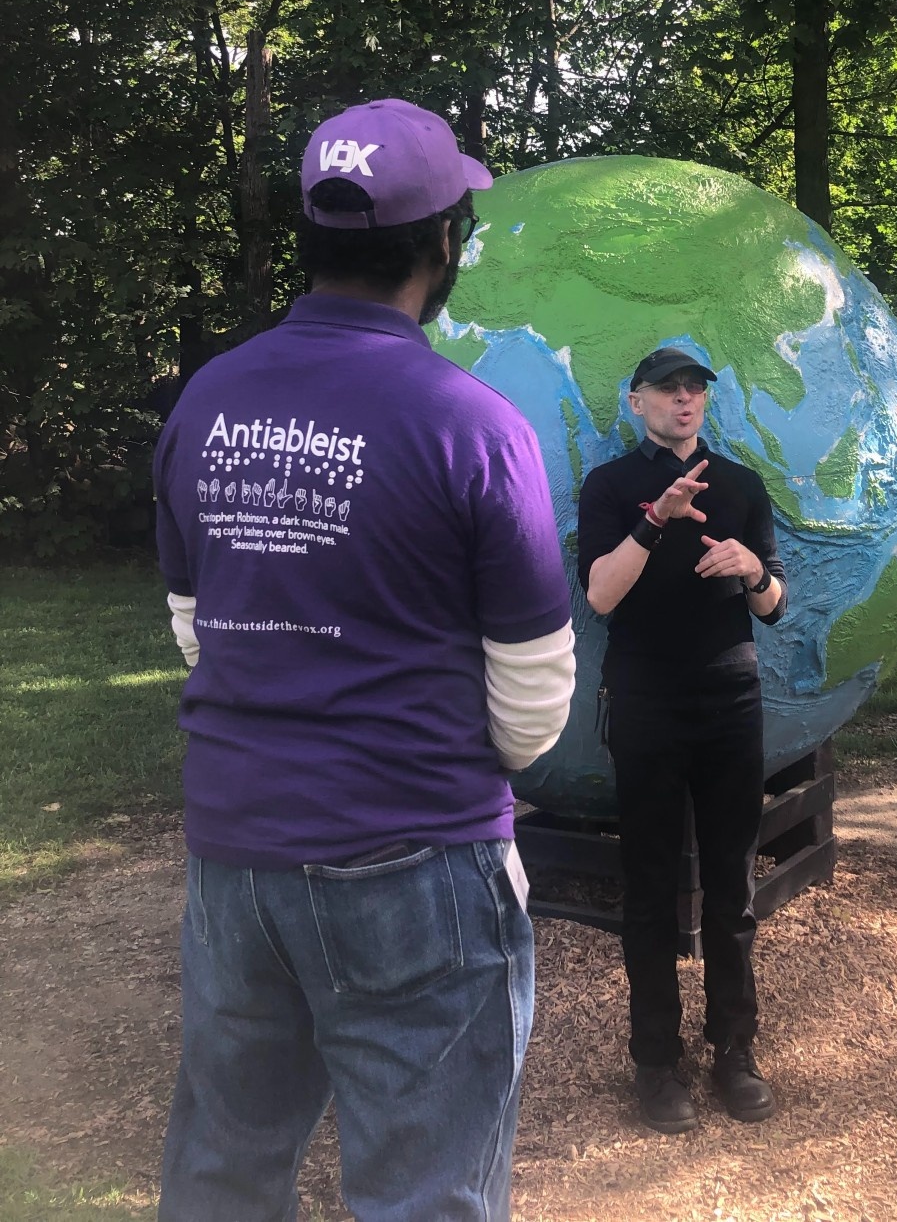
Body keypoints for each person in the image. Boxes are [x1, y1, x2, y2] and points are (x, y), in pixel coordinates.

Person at [152, 98, 575, 1222]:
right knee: (425, 1191)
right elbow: (533, 688)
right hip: (415, 854)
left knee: (224, 1171)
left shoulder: (210, 397)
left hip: (234, 856)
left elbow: (193, 623)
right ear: (443, 244)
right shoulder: (469, 422)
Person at [576, 346, 787, 1133]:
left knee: (732, 885)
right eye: (668, 388)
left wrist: (752, 572)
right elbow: (599, 594)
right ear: (637, 403)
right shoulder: (610, 487)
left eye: (696, 386)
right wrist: (654, 520)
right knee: (650, 887)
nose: (685, 397)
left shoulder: (741, 486)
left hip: (731, 698)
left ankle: (734, 1048)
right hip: (645, 701)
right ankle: (655, 1060)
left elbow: (775, 605)